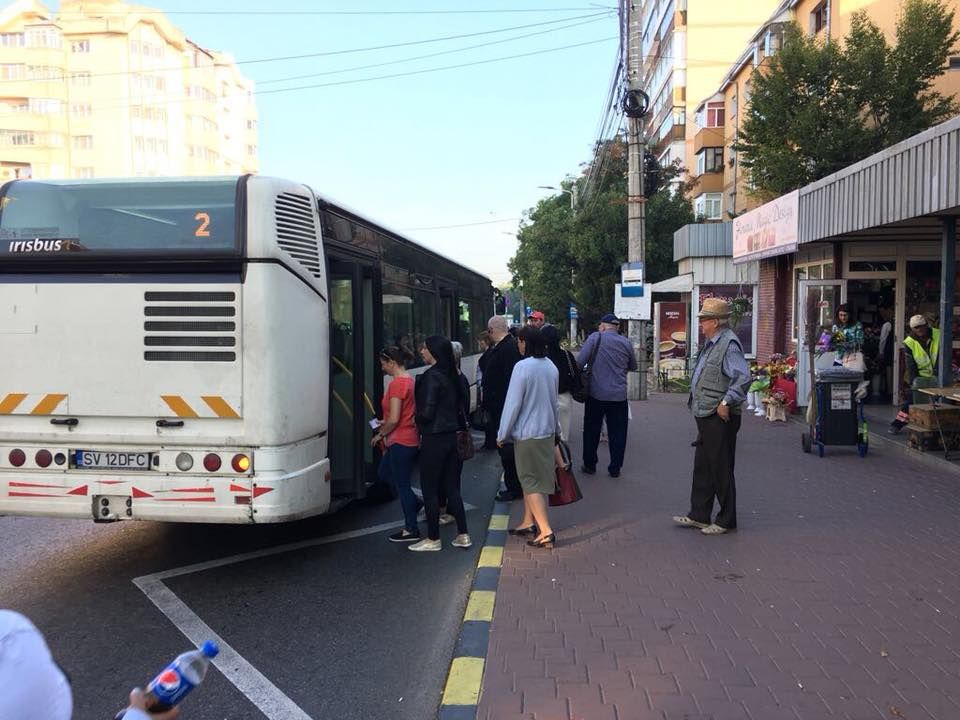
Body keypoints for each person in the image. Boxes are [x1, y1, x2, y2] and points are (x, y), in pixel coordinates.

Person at [673, 298, 751, 536]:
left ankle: (726, 520)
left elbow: (743, 377)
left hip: (719, 414)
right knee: (704, 466)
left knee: (720, 468)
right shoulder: (713, 342)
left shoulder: (729, 344)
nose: (701, 324)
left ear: (715, 322)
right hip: (706, 412)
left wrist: (726, 402)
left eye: (704, 320)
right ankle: (699, 515)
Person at [497, 326, 562, 549]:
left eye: (519, 341)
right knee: (534, 480)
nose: (518, 345)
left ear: (525, 342)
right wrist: (557, 431)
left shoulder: (522, 367)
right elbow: (554, 403)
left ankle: (545, 530)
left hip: (527, 434)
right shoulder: (550, 366)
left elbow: (513, 404)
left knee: (529, 481)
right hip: (546, 431)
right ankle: (527, 521)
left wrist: (502, 433)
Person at [411, 336, 471, 552]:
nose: (422, 352)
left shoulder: (431, 376)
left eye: (425, 348)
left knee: (430, 489)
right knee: (452, 487)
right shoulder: (455, 375)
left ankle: (433, 538)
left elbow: (427, 413)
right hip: (454, 436)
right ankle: (463, 534)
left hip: (434, 438)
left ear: (434, 352)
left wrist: (415, 419)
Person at [373, 346, 422, 543]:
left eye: (383, 364)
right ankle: (415, 504)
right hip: (408, 437)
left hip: (400, 440)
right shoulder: (409, 380)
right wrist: (386, 423)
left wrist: (380, 433)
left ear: (392, 362)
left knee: (401, 485)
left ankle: (411, 528)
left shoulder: (397, 385)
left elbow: (394, 419)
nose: (382, 368)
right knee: (386, 474)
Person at [577, 313, 636, 478]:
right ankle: (615, 468)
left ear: (603, 326)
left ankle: (590, 465)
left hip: (596, 394)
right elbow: (633, 365)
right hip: (619, 396)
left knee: (591, 430)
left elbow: (579, 363)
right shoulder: (626, 342)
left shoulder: (595, 338)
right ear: (617, 327)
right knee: (618, 433)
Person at [481, 315, 524, 501]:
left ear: (491, 331)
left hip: (503, 406)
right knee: (507, 448)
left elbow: (504, 379)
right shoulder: (509, 346)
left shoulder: (505, 349)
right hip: (503, 404)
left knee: (506, 449)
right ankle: (514, 485)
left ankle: (514, 487)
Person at [890, 314, 941, 433]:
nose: (919, 329)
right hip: (921, 377)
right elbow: (911, 365)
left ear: (926, 325)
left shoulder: (938, 334)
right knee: (913, 400)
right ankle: (897, 424)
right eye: (916, 328)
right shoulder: (909, 342)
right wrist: (914, 382)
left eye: (921, 326)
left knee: (938, 402)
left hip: (938, 375)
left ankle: (935, 425)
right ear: (912, 329)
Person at [541, 324, 578, 443]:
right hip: (564, 397)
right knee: (562, 437)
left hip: (543, 399)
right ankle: (562, 454)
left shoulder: (541, 357)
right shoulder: (566, 355)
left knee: (545, 436)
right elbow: (575, 375)